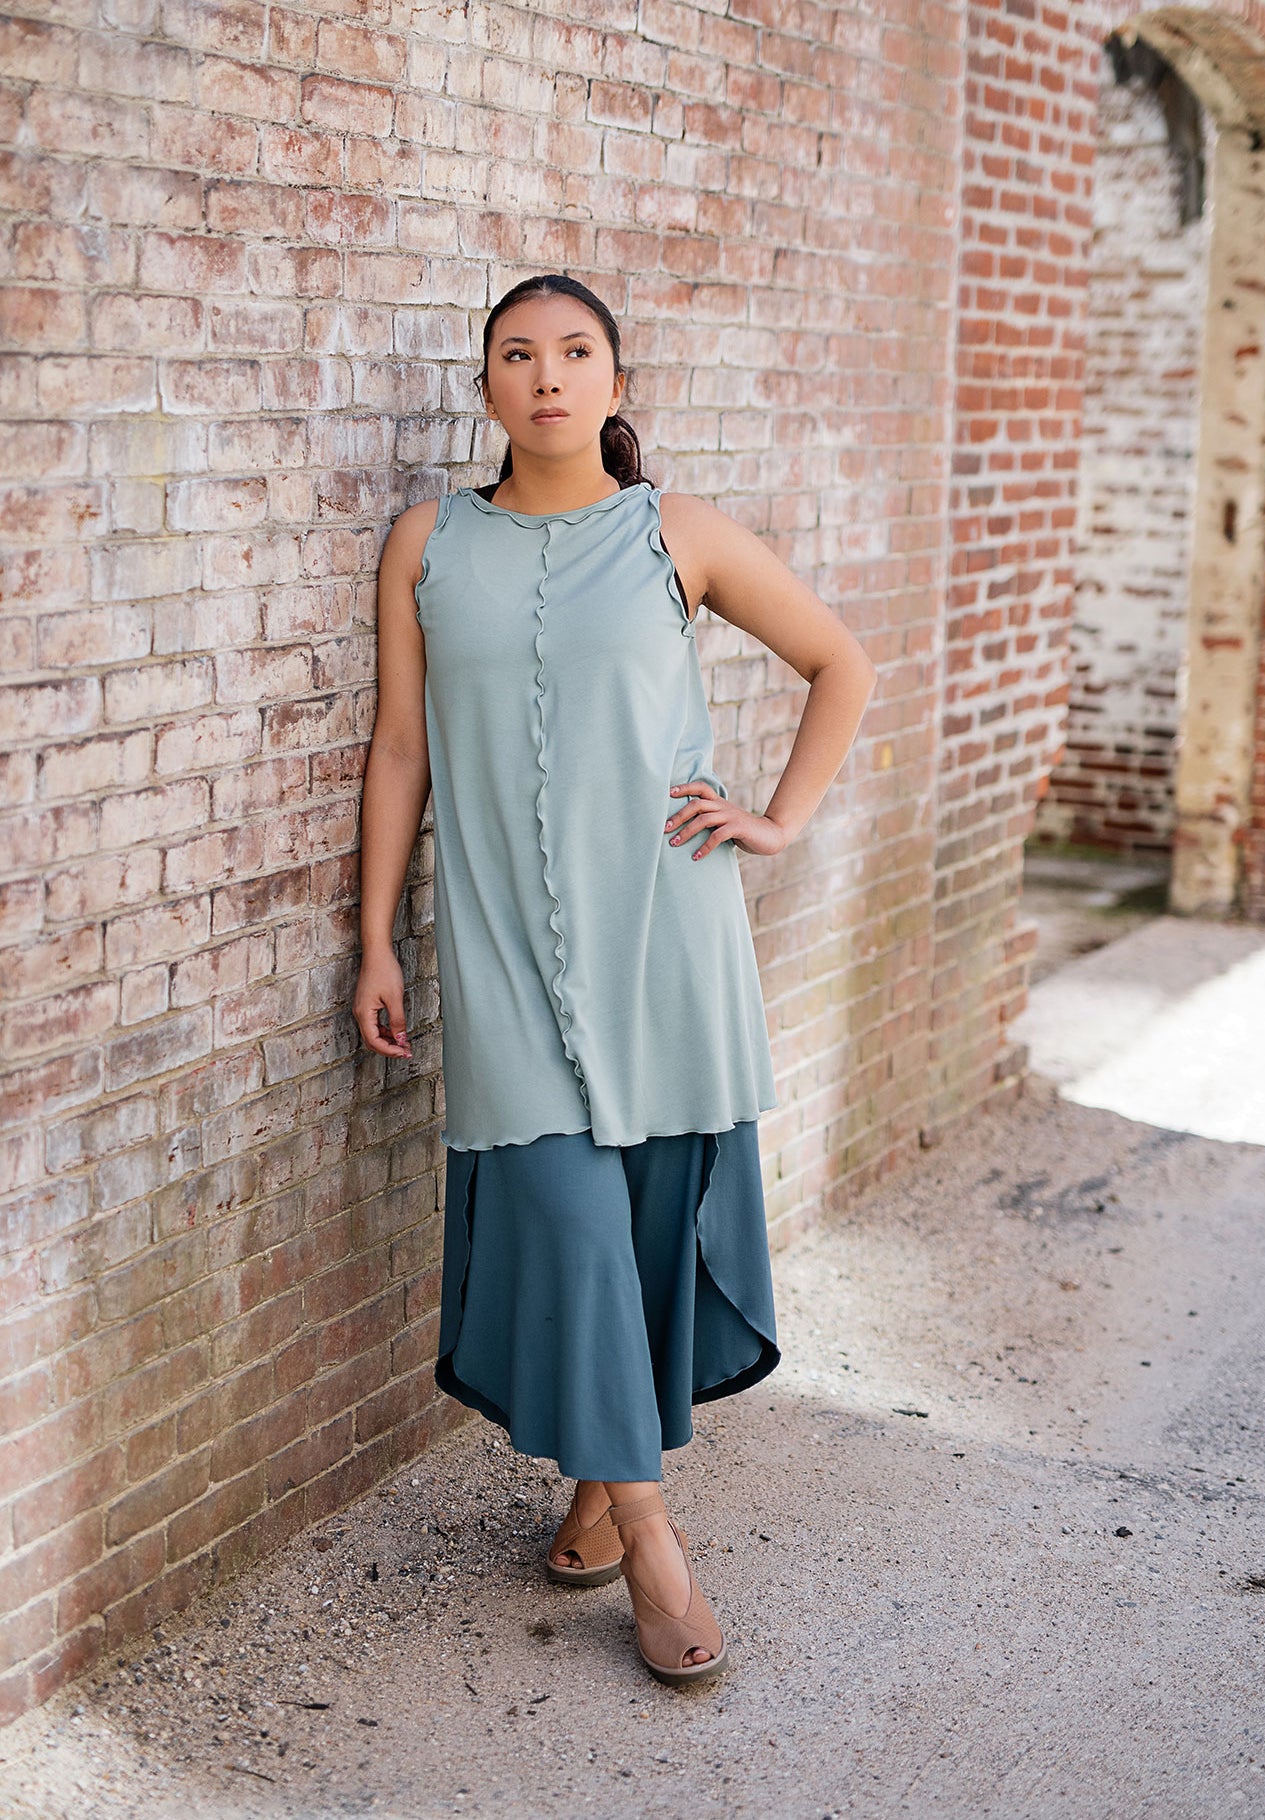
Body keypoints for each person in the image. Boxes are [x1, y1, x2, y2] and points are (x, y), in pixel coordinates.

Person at [353, 273, 875, 1685]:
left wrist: (777, 816)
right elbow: (400, 750)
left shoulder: (678, 536)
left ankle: (593, 1487)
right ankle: (650, 1539)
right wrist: (373, 937)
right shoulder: (426, 543)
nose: (546, 376)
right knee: (569, 1218)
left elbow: (838, 661)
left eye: (574, 352)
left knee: (640, 1232)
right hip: (503, 947)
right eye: (516, 355)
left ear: (615, 380)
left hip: (667, 933)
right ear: (484, 389)